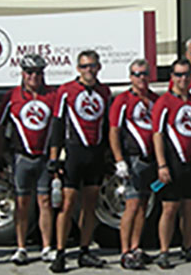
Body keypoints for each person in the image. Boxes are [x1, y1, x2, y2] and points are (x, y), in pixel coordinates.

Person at [0, 54, 58, 266]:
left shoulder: (52, 95)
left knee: (45, 203)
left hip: (43, 157)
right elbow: (1, 127)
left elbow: (58, 128)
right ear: (22, 74)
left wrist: (57, 157)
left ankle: (47, 247)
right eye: (29, 72)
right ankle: (21, 247)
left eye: (38, 73)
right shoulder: (12, 96)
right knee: (22, 203)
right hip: (21, 157)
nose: (34, 77)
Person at [50, 50, 112, 272]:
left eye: (93, 66)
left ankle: (85, 250)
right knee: (67, 205)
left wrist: (108, 156)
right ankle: (60, 252)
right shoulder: (66, 91)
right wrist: (54, 158)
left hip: (95, 154)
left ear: (99, 67)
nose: (89, 70)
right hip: (74, 152)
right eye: (85, 66)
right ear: (78, 69)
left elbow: (107, 126)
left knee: (90, 204)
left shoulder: (105, 92)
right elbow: (57, 125)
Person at [152, 58, 191, 269]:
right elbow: (157, 134)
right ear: (172, 77)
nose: (183, 79)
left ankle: (188, 246)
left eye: (186, 74)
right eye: (179, 74)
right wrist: (162, 165)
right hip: (172, 162)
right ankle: (164, 251)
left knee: (190, 207)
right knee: (169, 208)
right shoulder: (164, 102)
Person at [109, 59, 160, 270]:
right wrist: (119, 160)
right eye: (136, 74)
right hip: (132, 158)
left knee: (143, 206)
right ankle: (124, 251)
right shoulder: (123, 100)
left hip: (150, 160)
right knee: (131, 205)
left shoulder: (155, 99)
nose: (141, 78)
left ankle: (136, 246)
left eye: (144, 74)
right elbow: (114, 131)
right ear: (130, 77)